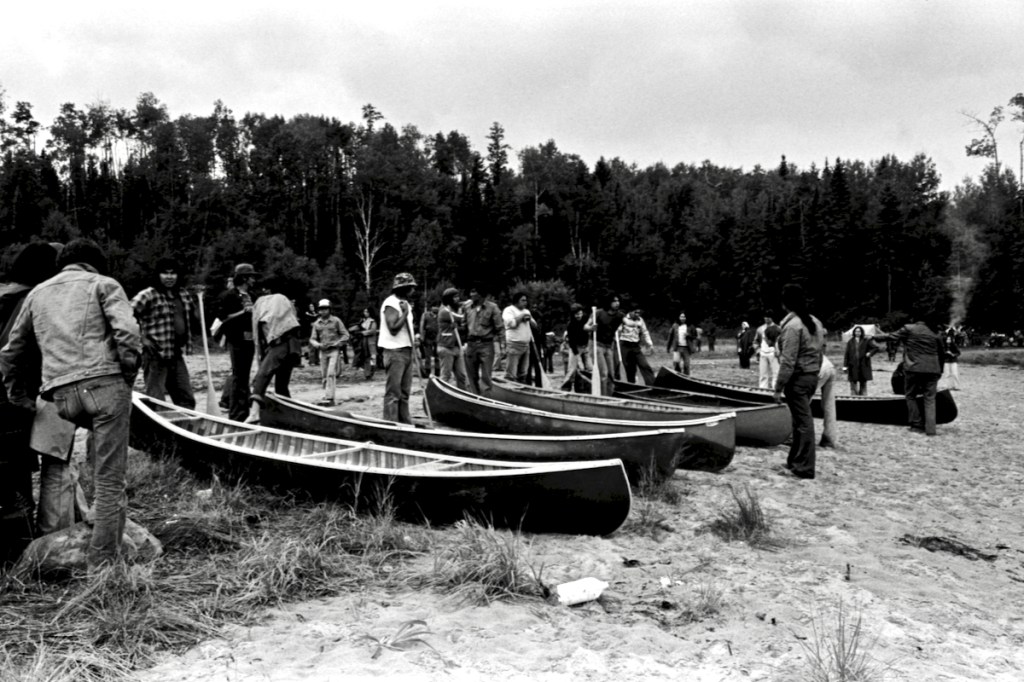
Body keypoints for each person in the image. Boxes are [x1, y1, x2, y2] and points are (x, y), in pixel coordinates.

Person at [1, 239, 142, 570]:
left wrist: (15, 395)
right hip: (94, 386)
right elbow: (128, 333)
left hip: (56, 395)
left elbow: (9, 352)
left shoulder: (32, 294)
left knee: (52, 465)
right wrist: (128, 375)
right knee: (101, 478)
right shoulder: (101, 285)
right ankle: (102, 565)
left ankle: (52, 535)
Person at [0, 242, 61, 561]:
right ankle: (18, 554)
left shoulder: (5, 293)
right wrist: (21, 396)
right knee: (14, 476)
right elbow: (11, 351)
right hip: (9, 401)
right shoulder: (28, 299)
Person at [772, 284, 825, 480]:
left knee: (803, 423)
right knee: (799, 422)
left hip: (798, 379)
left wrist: (778, 389)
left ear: (785, 303)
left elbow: (788, 361)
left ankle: (804, 467)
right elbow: (820, 353)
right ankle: (794, 461)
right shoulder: (815, 323)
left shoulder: (793, 327)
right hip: (811, 376)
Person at [130, 256, 197, 409]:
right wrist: (142, 338)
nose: (169, 277)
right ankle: (157, 431)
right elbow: (126, 315)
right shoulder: (148, 295)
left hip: (175, 354)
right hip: (155, 355)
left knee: (186, 399)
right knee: (156, 400)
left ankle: (181, 431)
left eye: (173, 273)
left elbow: (192, 318)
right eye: (165, 273)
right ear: (158, 275)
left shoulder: (183, 294)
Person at [875, 317, 944, 436]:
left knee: (911, 395)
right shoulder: (934, 333)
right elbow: (942, 353)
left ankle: (916, 424)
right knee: (930, 398)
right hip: (933, 369)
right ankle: (931, 429)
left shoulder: (909, 328)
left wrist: (873, 337)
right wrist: (940, 370)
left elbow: (891, 336)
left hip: (914, 368)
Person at [246, 278, 302, 423]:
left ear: (267, 290)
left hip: (281, 344)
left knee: (262, 377)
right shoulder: (285, 302)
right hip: (293, 347)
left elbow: (260, 330)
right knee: (281, 386)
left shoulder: (268, 301)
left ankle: (254, 413)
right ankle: (290, 417)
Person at [217, 263, 258, 421]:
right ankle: (236, 414)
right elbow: (223, 318)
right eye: (251, 277)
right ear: (245, 278)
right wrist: (243, 312)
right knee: (238, 376)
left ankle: (243, 410)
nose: (254, 280)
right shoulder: (229, 296)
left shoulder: (253, 295)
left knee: (244, 376)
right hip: (236, 339)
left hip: (250, 340)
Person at [379, 272, 417, 424]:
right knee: (394, 392)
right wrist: (405, 312)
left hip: (407, 350)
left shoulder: (404, 303)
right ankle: (390, 423)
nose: (413, 290)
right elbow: (393, 328)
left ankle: (404, 422)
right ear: (403, 288)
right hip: (395, 351)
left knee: (404, 392)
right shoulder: (391, 303)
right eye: (411, 287)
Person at [462, 286, 505, 395]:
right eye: (471, 292)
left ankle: (485, 399)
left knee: (486, 376)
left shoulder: (493, 308)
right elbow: (464, 326)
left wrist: (503, 346)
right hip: (471, 344)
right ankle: (473, 398)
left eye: (474, 292)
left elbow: (500, 327)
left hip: (486, 344)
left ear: (481, 295)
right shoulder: (467, 307)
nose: (471, 295)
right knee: (471, 376)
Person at [309, 298, 349, 406]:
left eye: (325, 309)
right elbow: (312, 339)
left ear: (329, 309)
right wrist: (317, 345)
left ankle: (329, 397)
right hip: (323, 351)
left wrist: (338, 343)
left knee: (331, 373)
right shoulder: (317, 324)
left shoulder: (336, 321)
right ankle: (327, 394)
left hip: (334, 350)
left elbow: (345, 335)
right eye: (321, 309)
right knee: (324, 374)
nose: (323, 311)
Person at [585, 294, 624, 395]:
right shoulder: (598, 313)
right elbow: (585, 326)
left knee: (611, 374)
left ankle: (609, 396)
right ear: (609, 303)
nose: (617, 303)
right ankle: (602, 396)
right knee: (604, 373)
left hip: (609, 347)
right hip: (596, 345)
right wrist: (591, 328)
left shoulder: (619, 316)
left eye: (618, 301)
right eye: (614, 301)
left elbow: (628, 322)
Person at [436, 287, 469, 390]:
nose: (457, 299)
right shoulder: (444, 311)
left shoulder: (453, 308)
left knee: (461, 376)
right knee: (446, 376)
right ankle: (440, 395)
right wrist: (468, 306)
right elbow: (462, 318)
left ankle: (463, 397)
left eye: (458, 296)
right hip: (446, 348)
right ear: (449, 299)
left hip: (456, 347)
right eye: (455, 297)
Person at [618, 305, 655, 385]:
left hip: (635, 346)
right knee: (629, 368)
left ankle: (652, 385)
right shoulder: (624, 319)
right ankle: (631, 385)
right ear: (631, 311)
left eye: (639, 313)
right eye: (636, 312)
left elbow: (645, 332)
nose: (637, 314)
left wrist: (650, 344)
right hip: (624, 345)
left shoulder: (640, 320)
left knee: (644, 365)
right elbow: (617, 330)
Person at [502, 291, 534, 383]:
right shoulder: (509, 310)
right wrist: (521, 316)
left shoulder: (526, 311)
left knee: (523, 373)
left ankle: (521, 391)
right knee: (511, 373)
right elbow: (512, 323)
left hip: (526, 345)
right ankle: (509, 392)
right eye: (523, 300)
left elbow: (534, 325)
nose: (525, 302)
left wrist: (528, 318)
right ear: (516, 301)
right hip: (514, 344)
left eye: (526, 300)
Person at [843, 325, 878, 396]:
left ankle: (863, 397)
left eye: (859, 331)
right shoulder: (850, 342)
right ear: (854, 332)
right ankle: (854, 397)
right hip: (853, 365)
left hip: (863, 364)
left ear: (862, 332)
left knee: (863, 382)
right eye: (856, 331)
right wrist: (845, 366)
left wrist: (870, 353)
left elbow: (876, 348)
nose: (857, 332)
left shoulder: (866, 340)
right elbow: (847, 354)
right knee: (853, 382)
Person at [754, 315, 782, 389]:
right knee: (763, 374)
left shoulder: (778, 328)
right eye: (765, 317)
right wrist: (758, 351)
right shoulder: (760, 329)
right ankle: (763, 389)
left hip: (774, 353)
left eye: (768, 317)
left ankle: (775, 389)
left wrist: (779, 350)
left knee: (776, 374)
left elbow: (781, 341)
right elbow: (755, 341)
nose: (766, 319)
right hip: (763, 353)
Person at [351, 307, 379, 381]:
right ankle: (367, 374)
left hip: (370, 342)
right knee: (365, 357)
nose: (365, 313)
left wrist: (363, 332)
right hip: (363, 342)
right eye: (364, 311)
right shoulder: (362, 321)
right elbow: (358, 327)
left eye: (366, 311)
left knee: (372, 357)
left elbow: (373, 331)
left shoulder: (373, 321)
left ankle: (371, 372)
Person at [564, 304, 591, 376]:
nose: (579, 316)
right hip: (575, 348)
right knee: (573, 368)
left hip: (585, 346)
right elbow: (571, 341)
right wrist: (576, 355)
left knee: (590, 367)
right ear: (573, 314)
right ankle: (567, 384)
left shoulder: (586, 320)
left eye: (580, 313)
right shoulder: (571, 325)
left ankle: (588, 383)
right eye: (577, 314)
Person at [817, 354, 838, 449]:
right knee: (829, 406)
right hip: (829, 366)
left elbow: (787, 364)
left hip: (818, 369)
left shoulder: (783, 341)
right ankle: (829, 439)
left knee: (801, 405)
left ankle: (793, 436)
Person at [418, 305, 439, 378]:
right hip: (428, 337)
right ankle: (427, 370)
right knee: (427, 355)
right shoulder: (425, 315)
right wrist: (422, 336)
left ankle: (437, 370)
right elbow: (422, 326)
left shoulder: (440, 315)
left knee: (437, 355)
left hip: (437, 337)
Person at [942, 326, 961, 390]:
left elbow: (958, 353)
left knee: (955, 374)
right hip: (946, 361)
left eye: (949, 339)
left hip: (953, 361)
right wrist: (945, 353)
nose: (948, 340)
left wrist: (952, 354)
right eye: (947, 339)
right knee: (947, 374)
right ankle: (947, 386)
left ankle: (956, 386)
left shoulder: (954, 345)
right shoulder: (944, 346)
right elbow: (941, 353)